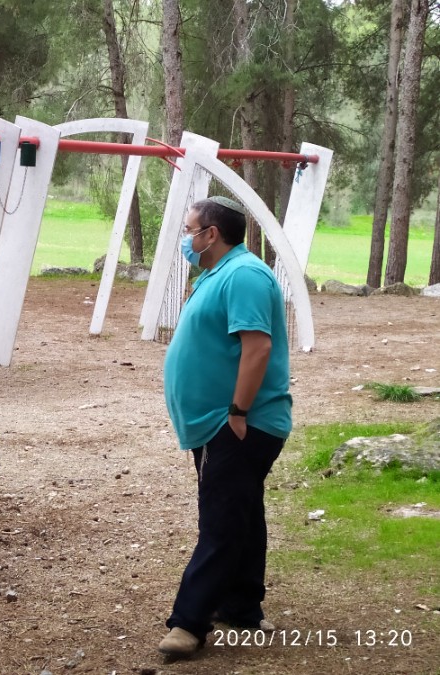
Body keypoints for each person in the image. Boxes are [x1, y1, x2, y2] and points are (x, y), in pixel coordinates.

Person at [157, 196, 291, 658]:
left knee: (221, 520)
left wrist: (236, 411)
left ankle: (188, 622)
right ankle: (241, 606)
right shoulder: (216, 273)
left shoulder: (245, 276)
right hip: (219, 422)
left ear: (211, 234)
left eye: (189, 229)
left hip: (239, 422)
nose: (185, 238)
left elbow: (257, 348)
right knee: (242, 511)